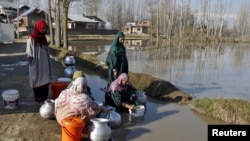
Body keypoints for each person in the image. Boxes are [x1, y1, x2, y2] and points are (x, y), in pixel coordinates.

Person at [26, 19, 52, 102]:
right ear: (38, 28)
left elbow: (46, 50)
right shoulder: (31, 39)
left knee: (45, 78)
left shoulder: (44, 38)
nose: (44, 30)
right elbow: (29, 52)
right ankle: (38, 97)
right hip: (36, 63)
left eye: (45, 28)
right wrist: (32, 63)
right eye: (42, 28)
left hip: (44, 63)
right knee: (36, 78)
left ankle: (44, 96)